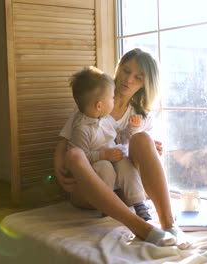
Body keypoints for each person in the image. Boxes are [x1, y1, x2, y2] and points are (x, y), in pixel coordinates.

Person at [54, 48, 190, 248]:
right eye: (126, 71)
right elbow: (66, 142)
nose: (128, 80)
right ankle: (141, 228)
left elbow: (143, 156)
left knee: (143, 138)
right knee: (75, 155)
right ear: (119, 69)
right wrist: (59, 170)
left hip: (127, 191)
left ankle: (169, 225)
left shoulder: (141, 114)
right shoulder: (94, 101)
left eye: (138, 77)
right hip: (94, 188)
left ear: (145, 83)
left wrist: (152, 148)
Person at [68, 66, 152, 221]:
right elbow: (79, 158)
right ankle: (106, 206)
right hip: (96, 164)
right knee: (105, 169)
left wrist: (131, 128)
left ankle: (139, 203)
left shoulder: (106, 119)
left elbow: (120, 138)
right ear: (99, 105)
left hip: (113, 156)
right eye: (111, 98)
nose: (114, 100)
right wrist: (103, 155)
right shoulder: (82, 128)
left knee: (127, 165)